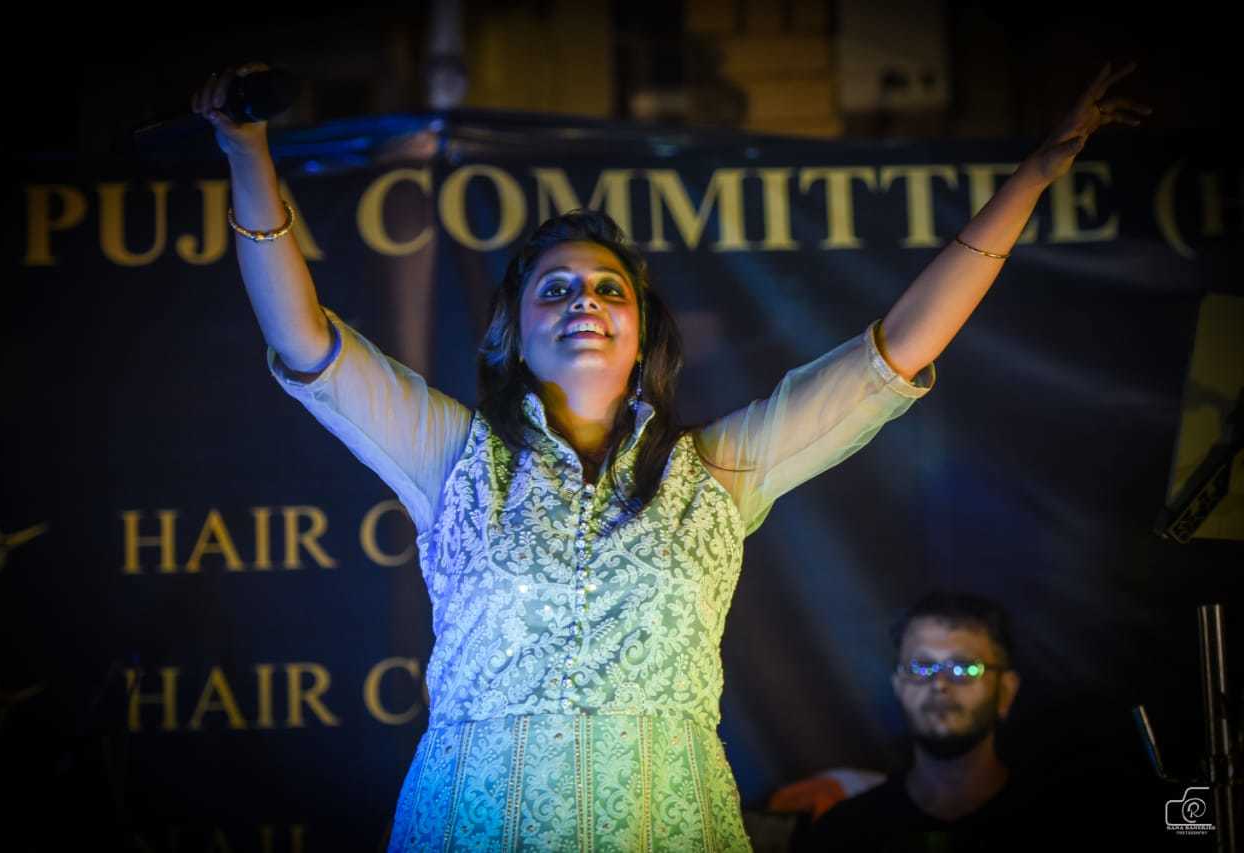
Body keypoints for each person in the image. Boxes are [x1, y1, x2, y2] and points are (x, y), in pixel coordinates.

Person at [192, 59, 1149, 851]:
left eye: (609, 289)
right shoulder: (452, 457)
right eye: (555, 289)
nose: (584, 301)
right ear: (513, 335)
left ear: (641, 331)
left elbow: (896, 352)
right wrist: (246, 151)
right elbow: (303, 338)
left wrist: (1035, 176)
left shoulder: (716, 472)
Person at [792, 591, 1043, 852]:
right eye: (920, 667)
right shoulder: (844, 832)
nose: (939, 684)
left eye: (964, 667)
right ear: (899, 688)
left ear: (1006, 691)